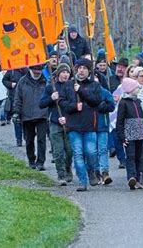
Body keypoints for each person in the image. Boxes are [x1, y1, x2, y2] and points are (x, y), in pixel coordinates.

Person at [60, 58, 101, 191]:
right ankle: (82, 181)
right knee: (77, 153)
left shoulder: (94, 85)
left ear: (89, 71)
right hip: (74, 125)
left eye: (85, 68)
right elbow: (62, 103)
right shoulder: (68, 85)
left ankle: (91, 171)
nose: (81, 70)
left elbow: (96, 101)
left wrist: (81, 91)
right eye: (79, 68)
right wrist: (73, 106)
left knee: (91, 152)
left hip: (89, 124)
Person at [39, 63, 74, 185]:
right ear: (58, 73)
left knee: (70, 151)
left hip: (69, 123)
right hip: (54, 122)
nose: (66, 75)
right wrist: (51, 98)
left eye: (67, 72)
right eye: (63, 72)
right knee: (58, 151)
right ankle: (61, 175)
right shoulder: (51, 87)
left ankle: (68, 167)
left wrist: (67, 117)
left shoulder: (72, 87)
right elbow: (41, 103)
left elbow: (74, 105)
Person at [13, 64, 48, 170]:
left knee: (42, 139)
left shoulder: (46, 81)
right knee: (29, 140)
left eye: (40, 70)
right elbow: (18, 98)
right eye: (35, 70)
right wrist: (16, 112)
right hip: (27, 115)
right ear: (30, 69)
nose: (38, 72)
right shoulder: (22, 81)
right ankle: (31, 160)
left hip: (42, 115)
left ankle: (41, 162)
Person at [116, 78, 143, 190]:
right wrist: (122, 137)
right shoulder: (123, 103)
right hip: (129, 134)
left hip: (140, 133)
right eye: (135, 88)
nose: (138, 89)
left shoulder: (138, 101)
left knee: (139, 156)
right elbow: (119, 122)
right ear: (130, 89)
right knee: (131, 156)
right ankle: (131, 177)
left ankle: (138, 178)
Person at [108, 57, 129, 168]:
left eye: (122, 67)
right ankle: (122, 159)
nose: (120, 69)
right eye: (118, 67)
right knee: (116, 136)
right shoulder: (110, 79)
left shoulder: (130, 81)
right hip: (114, 113)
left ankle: (129, 157)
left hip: (128, 111)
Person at [95, 84, 116, 185]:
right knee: (91, 151)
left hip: (102, 125)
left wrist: (103, 106)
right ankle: (95, 172)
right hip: (88, 126)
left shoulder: (105, 92)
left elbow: (112, 106)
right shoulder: (85, 91)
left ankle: (104, 172)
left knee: (103, 149)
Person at [2, 67, 28, 144]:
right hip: (14, 99)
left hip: (26, 99)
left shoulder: (27, 71)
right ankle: (18, 139)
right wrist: (10, 84)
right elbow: (4, 80)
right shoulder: (11, 70)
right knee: (17, 120)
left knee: (26, 120)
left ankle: (26, 136)